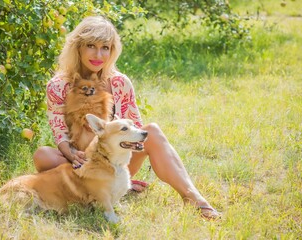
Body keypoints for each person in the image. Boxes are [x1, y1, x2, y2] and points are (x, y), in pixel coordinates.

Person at [33, 16, 221, 220]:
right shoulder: (58, 85)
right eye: (91, 46)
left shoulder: (120, 83)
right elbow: (59, 131)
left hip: (117, 162)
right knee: (43, 155)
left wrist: (121, 147)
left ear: (112, 50)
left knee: (153, 131)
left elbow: (136, 128)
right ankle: (94, 192)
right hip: (81, 166)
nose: (98, 54)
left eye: (105, 47)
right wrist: (70, 153)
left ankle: (193, 197)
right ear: (78, 47)